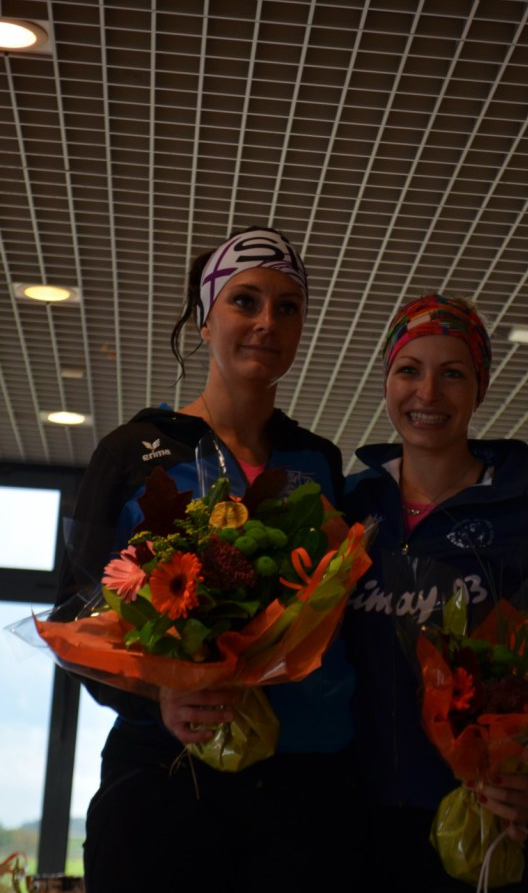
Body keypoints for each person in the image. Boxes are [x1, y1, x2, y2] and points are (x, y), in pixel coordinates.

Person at [55, 226, 364, 893]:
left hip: (299, 787)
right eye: (245, 301)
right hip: (166, 773)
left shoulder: (317, 460)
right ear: (204, 319)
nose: (267, 321)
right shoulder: (133, 450)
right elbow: (74, 616)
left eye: (287, 307)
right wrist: (159, 695)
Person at [342, 293, 528, 892]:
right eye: (409, 370)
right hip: (351, 826)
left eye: (452, 374)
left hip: (485, 824)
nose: (427, 393)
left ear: (481, 388)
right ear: (386, 380)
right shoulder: (346, 508)